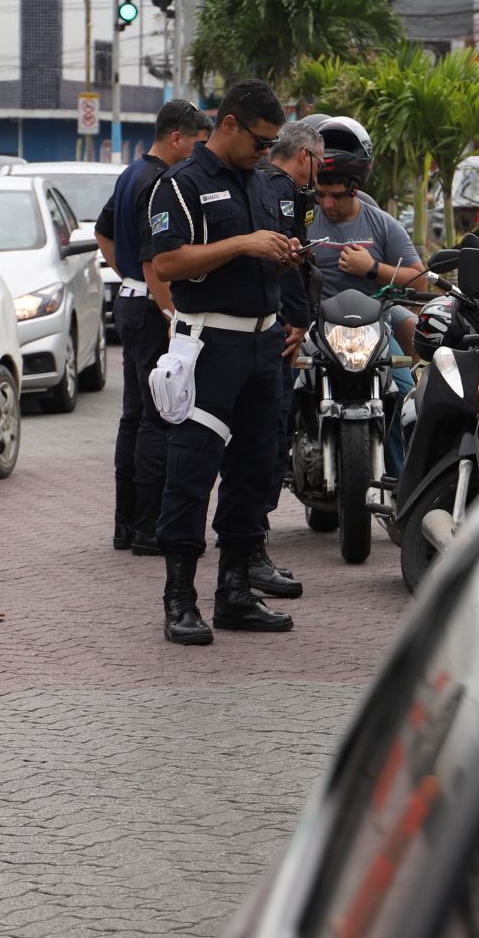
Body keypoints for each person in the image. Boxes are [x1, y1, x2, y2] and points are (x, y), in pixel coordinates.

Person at [145, 79, 302, 646]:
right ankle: (179, 598)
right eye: (259, 141)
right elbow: (167, 264)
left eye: (272, 144)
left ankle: (235, 589)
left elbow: (264, 252)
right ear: (229, 124)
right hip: (210, 344)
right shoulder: (181, 185)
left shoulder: (262, 183)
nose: (266, 151)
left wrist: (281, 257)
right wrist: (244, 245)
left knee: (256, 467)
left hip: (265, 343)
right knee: (191, 470)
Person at [94, 99, 201, 555]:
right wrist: (172, 314)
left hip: (130, 302)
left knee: (135, 416)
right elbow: (154, 260)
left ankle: (126, 524)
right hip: (153, 306)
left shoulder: (128, 174)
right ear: (176, 137)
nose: (197, 153)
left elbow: (103, 233)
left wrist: (130, 280)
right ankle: (147, 528)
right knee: (159, 415)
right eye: (195, 143)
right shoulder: (161, 181)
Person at [309, 117, 427, 474]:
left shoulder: (381, 224)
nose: (326, 204)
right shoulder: (303, 220)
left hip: (376, 331)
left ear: (355, 189)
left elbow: (419, 281)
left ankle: (403, 489)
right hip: (318, 329)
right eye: (320, 195)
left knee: (406, 400)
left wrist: (373, 268)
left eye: (336, 195)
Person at [250, 119, 323, 596]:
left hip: (258, 326)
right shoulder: (281, 191)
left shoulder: (256, 181)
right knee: (268, 438)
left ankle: (251, 548)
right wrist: (297, 319)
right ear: (304, 157)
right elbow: (286, 264)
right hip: (273, 327)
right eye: (318, 162)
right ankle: (251, 550)